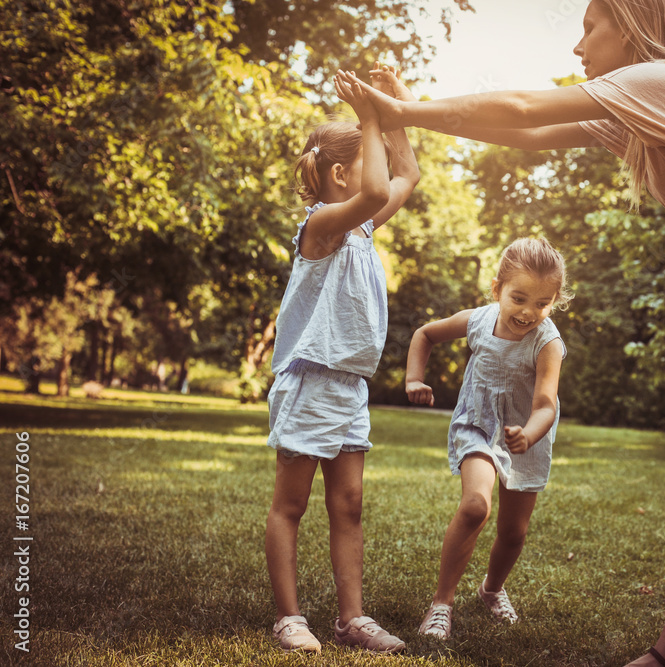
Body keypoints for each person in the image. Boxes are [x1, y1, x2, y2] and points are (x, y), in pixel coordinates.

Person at [337, 0, 665, 664]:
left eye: (589, 28)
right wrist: (412, 110)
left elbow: (523, 108)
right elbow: (523, 133)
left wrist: (403, 112)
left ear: (631, 24)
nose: (578, 47)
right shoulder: (639, 111)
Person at [264, 64, 420, 655]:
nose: (375, 167)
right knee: (291, 504)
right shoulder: (323, 228)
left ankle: (352, 619)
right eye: (366, 154)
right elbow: (380, 190)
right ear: (338, 175)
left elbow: (407, 174)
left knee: (348, 505)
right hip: (310, 382)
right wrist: (371, 118)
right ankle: (289, 618)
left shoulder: (362, 231)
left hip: (349, 386)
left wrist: (395, 113)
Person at [404, 237, 571, 640]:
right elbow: (425, 334)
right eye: (519, 298)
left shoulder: (548, 344)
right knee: (476, 505)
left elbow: (546, 404)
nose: (529, 312)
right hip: (477, 424)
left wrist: (528, 434)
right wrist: (413, 378)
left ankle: (491, 589)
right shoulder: (478, 319)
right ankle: (441, 604)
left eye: (542, 303)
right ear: (497, 289)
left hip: (525, 437)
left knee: (514, 532)